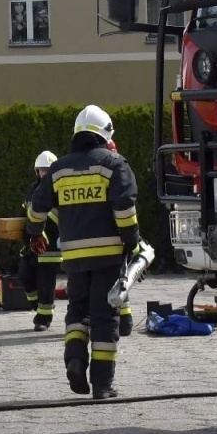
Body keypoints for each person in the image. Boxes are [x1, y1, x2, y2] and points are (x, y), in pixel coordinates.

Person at [28, 105, 139, 399]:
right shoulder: (114, 164)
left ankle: (75, 360)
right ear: (105, 134)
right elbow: (125, 208)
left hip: (75, 257)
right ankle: (102, 385)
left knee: (77, 311)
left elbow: (36, 207)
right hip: (108, 256)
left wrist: (35, 233)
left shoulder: (58, 169)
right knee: (105, 317)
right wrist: (132, 241)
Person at [23, 150, 61, 332]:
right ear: (36, 171)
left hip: (50, 244)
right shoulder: (33, 188)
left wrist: (43, 219)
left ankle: (44, 319)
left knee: (46, 282)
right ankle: (37, 305)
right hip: (31, 242)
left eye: (48, 170)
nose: (44, 173)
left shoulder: (60, 189)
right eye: (41, 170)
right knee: (24, 276)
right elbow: (26, 210)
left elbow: (62, 215)